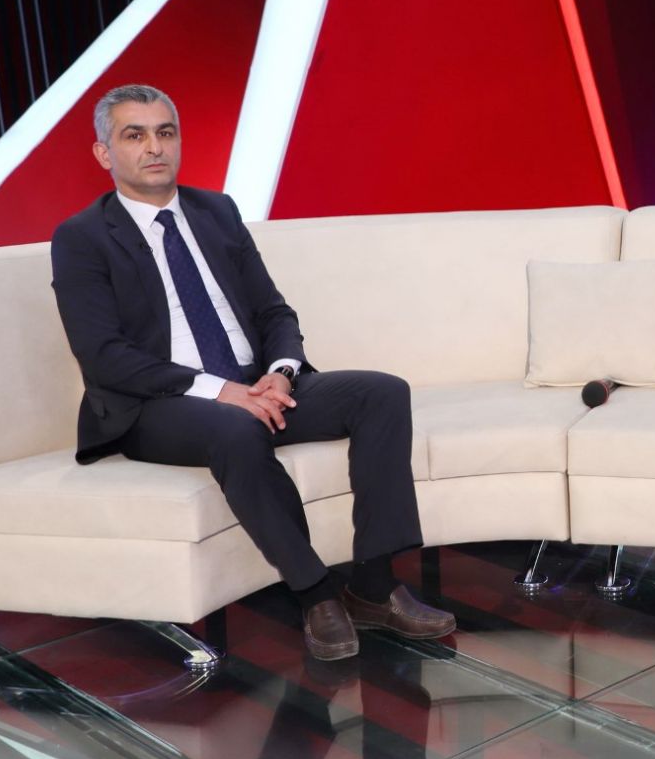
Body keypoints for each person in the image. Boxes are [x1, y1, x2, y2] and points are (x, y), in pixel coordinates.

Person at [51, 84, 455, 660]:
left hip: (255, 384)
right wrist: (222, 391)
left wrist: (281, 373)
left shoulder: (216, 212)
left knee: (381, 393)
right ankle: (315, 594)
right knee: (236, 428)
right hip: (157, 405)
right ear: (103, 153)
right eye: (134, 135)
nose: (154, 147)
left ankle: (372, 587)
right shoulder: (82, 237)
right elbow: (103, 355)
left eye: (165, 132)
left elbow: (273, 311)